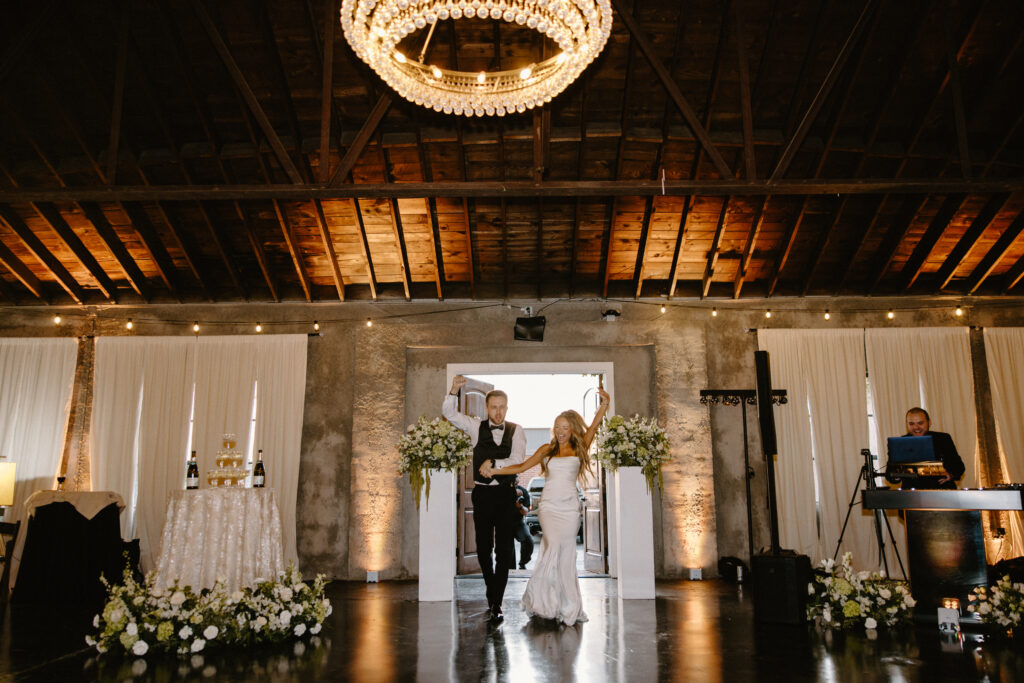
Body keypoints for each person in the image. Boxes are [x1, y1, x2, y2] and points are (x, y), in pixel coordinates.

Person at [481, 388, 610, 625]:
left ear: (571, 429)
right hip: (549, 508)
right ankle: (546, 603)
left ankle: (568, 605)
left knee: (566, 554)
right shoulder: (546, 451)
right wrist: (495, 470)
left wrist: (603, 406)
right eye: (557, 427)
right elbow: (520, 467)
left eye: (565, 428)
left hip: (570, 508)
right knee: (551, 549)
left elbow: (592, 427)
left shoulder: (579, 447)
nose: (560, 432)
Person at [443, 375, 527, 623]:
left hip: (505, 494)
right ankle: (492, 594)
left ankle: (496, 602)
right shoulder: (474, 426)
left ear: (507, 407)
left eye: (502, 407)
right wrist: (453, 391)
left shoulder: (517, 430)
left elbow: (518, 462)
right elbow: (449, 413)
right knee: (483, 549)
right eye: (494, 407)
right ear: (486, 408)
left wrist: (494, 464)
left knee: (503, 551)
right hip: (482, 495)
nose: (498, 412)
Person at [903, 407, 965, 489]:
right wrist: (896, 475)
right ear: (906, 424)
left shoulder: (943, 439)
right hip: (911, 494)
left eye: (920, 423)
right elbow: (890, 474)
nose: (916, 427)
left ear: (929, 422)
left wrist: (950, 475)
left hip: (942, 491)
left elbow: (959, 467)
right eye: (911, 424)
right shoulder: (901, 443)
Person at [512, 478, 534, 569]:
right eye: (514, 478)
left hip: (518, 521)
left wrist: (520, 506)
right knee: (507, 547)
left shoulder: (523, 491)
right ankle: (509, 568)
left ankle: (522, 562)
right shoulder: (502, 490)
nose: (516, 480)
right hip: (504, 522)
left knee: (528, 541)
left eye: (517, 477)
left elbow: (526, 511)